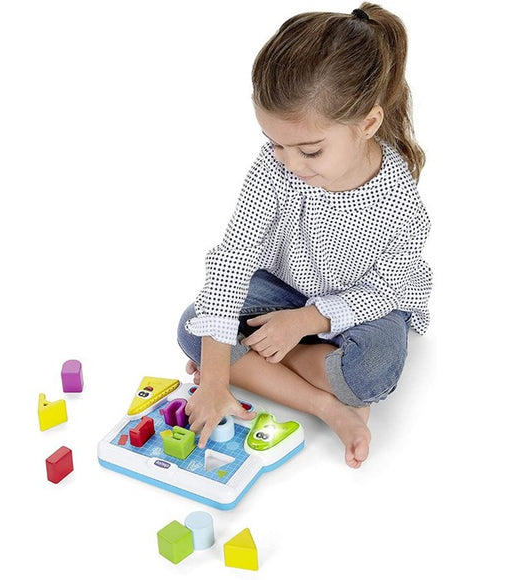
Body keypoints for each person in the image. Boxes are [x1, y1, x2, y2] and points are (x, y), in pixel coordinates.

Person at [177, 3, 432, 468]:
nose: (289, 162)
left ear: (368, 124)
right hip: (284, 287)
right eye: (275, 143)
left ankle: (257, 360)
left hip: (365, 304)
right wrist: (213, 381)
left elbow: (387, 289)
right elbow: (234, 256)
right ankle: (327, 406)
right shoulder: (274, 167)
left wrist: (303, 323)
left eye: (310, 151)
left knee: (372, 372)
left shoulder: (399, 200)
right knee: (193, 326)